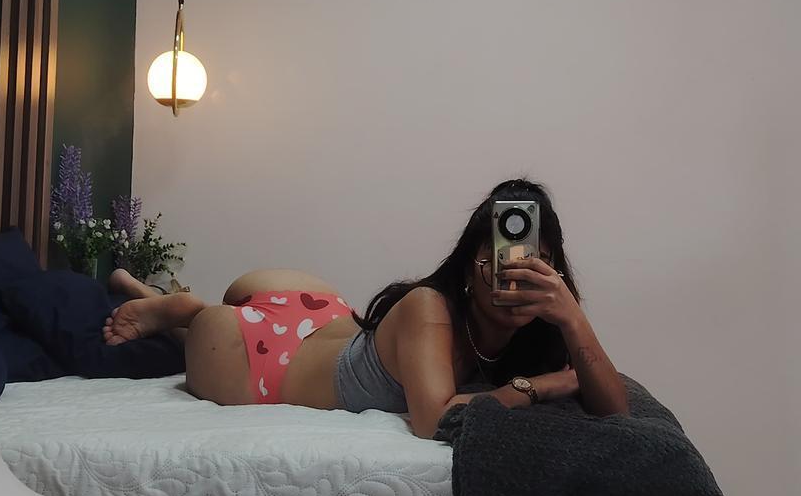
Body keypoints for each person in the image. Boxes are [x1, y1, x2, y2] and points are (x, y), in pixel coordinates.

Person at [103, 179, 628, 438]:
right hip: (264, 364)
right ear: (470, 267)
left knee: (215, 329)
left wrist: (572, 316)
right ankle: (187, 311)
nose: (513, 278)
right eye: (499, 262)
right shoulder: (430, 307)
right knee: (206, 335)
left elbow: (616, 411)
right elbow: (434, 422)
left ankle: (157, 300)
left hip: (321, 316)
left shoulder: (544, 325)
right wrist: (538, 387)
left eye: (533, 263)